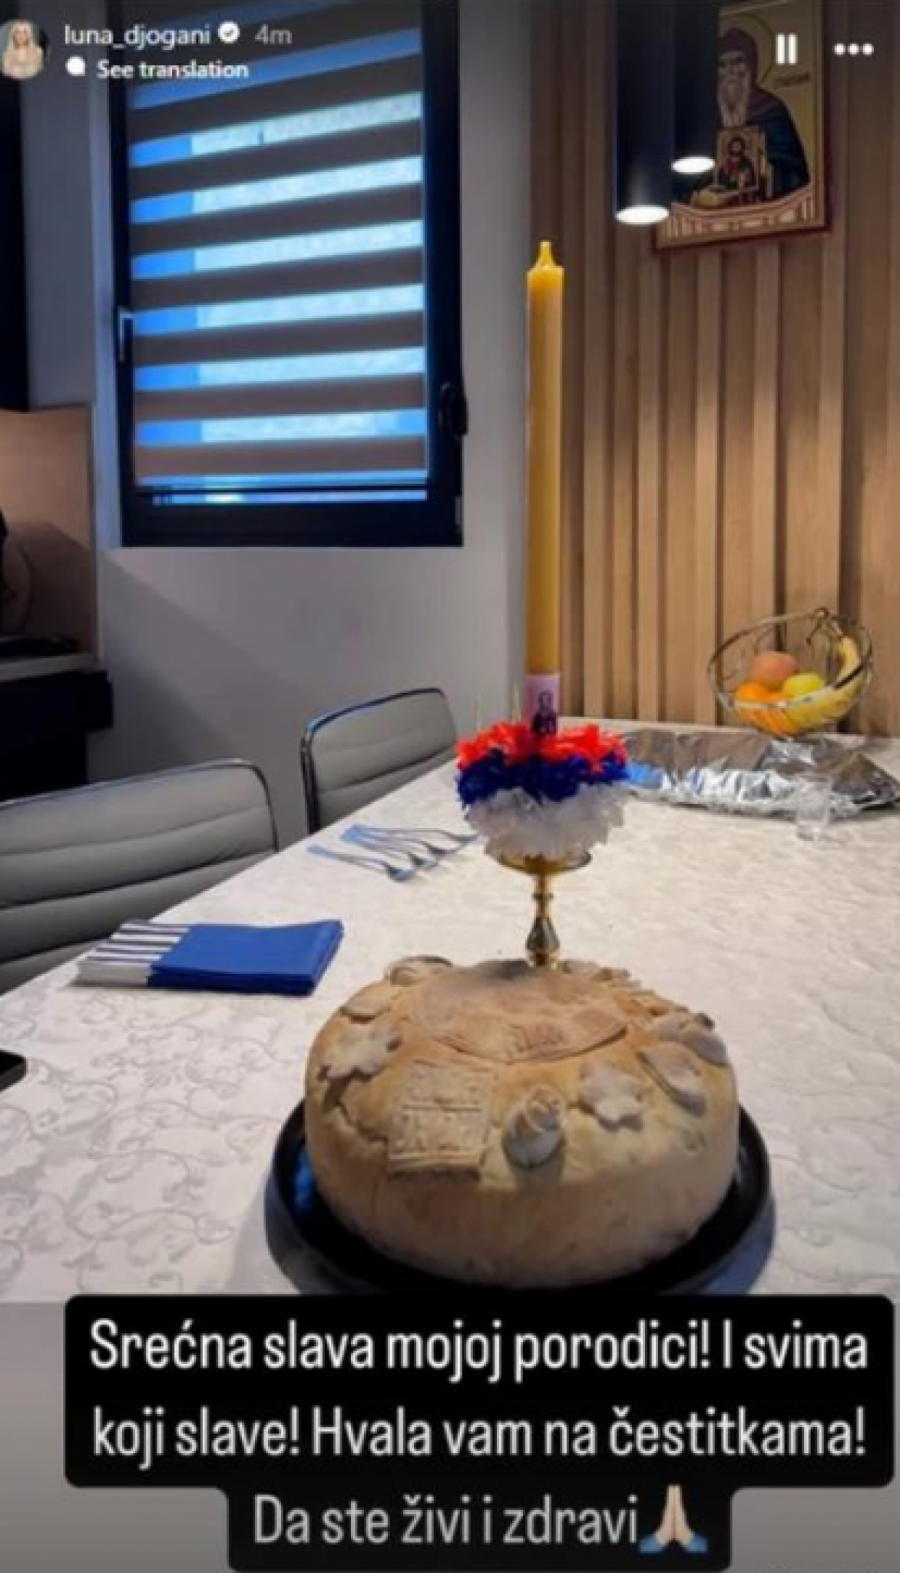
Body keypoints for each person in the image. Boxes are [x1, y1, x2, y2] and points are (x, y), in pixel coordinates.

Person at [716, 26, 809, 199]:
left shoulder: (772, 109)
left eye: (738, 62)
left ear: (752, 64)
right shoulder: (707, 118)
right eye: (722, 64)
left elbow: (794, 172)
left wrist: (763, 168)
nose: (730, 71)